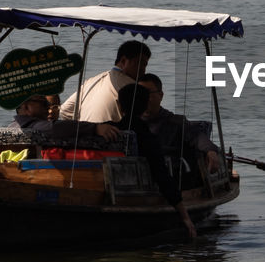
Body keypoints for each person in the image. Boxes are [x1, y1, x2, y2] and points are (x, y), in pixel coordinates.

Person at [114, 84, 197, 239]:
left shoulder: (108, 129)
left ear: (118, 105)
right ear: (145, 106)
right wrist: (185, 216)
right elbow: (161, 174)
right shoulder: (146, 137)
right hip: (138, 195)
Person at [138, 73, 221, 181]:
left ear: (160, 95)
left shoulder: (176, 122)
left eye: (148, 93)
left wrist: (211, 151)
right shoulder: (131, 122)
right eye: (139, 94)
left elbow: (197, 136)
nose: (143, 98)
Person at [58, 40, 151, 123]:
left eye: (145, 65)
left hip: (84, 138)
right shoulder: (131, 87)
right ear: (123, 61)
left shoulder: (91, 82)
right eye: (139, 63)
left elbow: (64, 111)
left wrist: (84, 129)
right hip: (112, 139)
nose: (143, 70)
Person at [8, 94, 122, 142]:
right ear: (26, 107)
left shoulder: (13, 126)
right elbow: (54, 128)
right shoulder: (33, 126)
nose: (48, 108)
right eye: (43, 103)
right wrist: (95, 128)